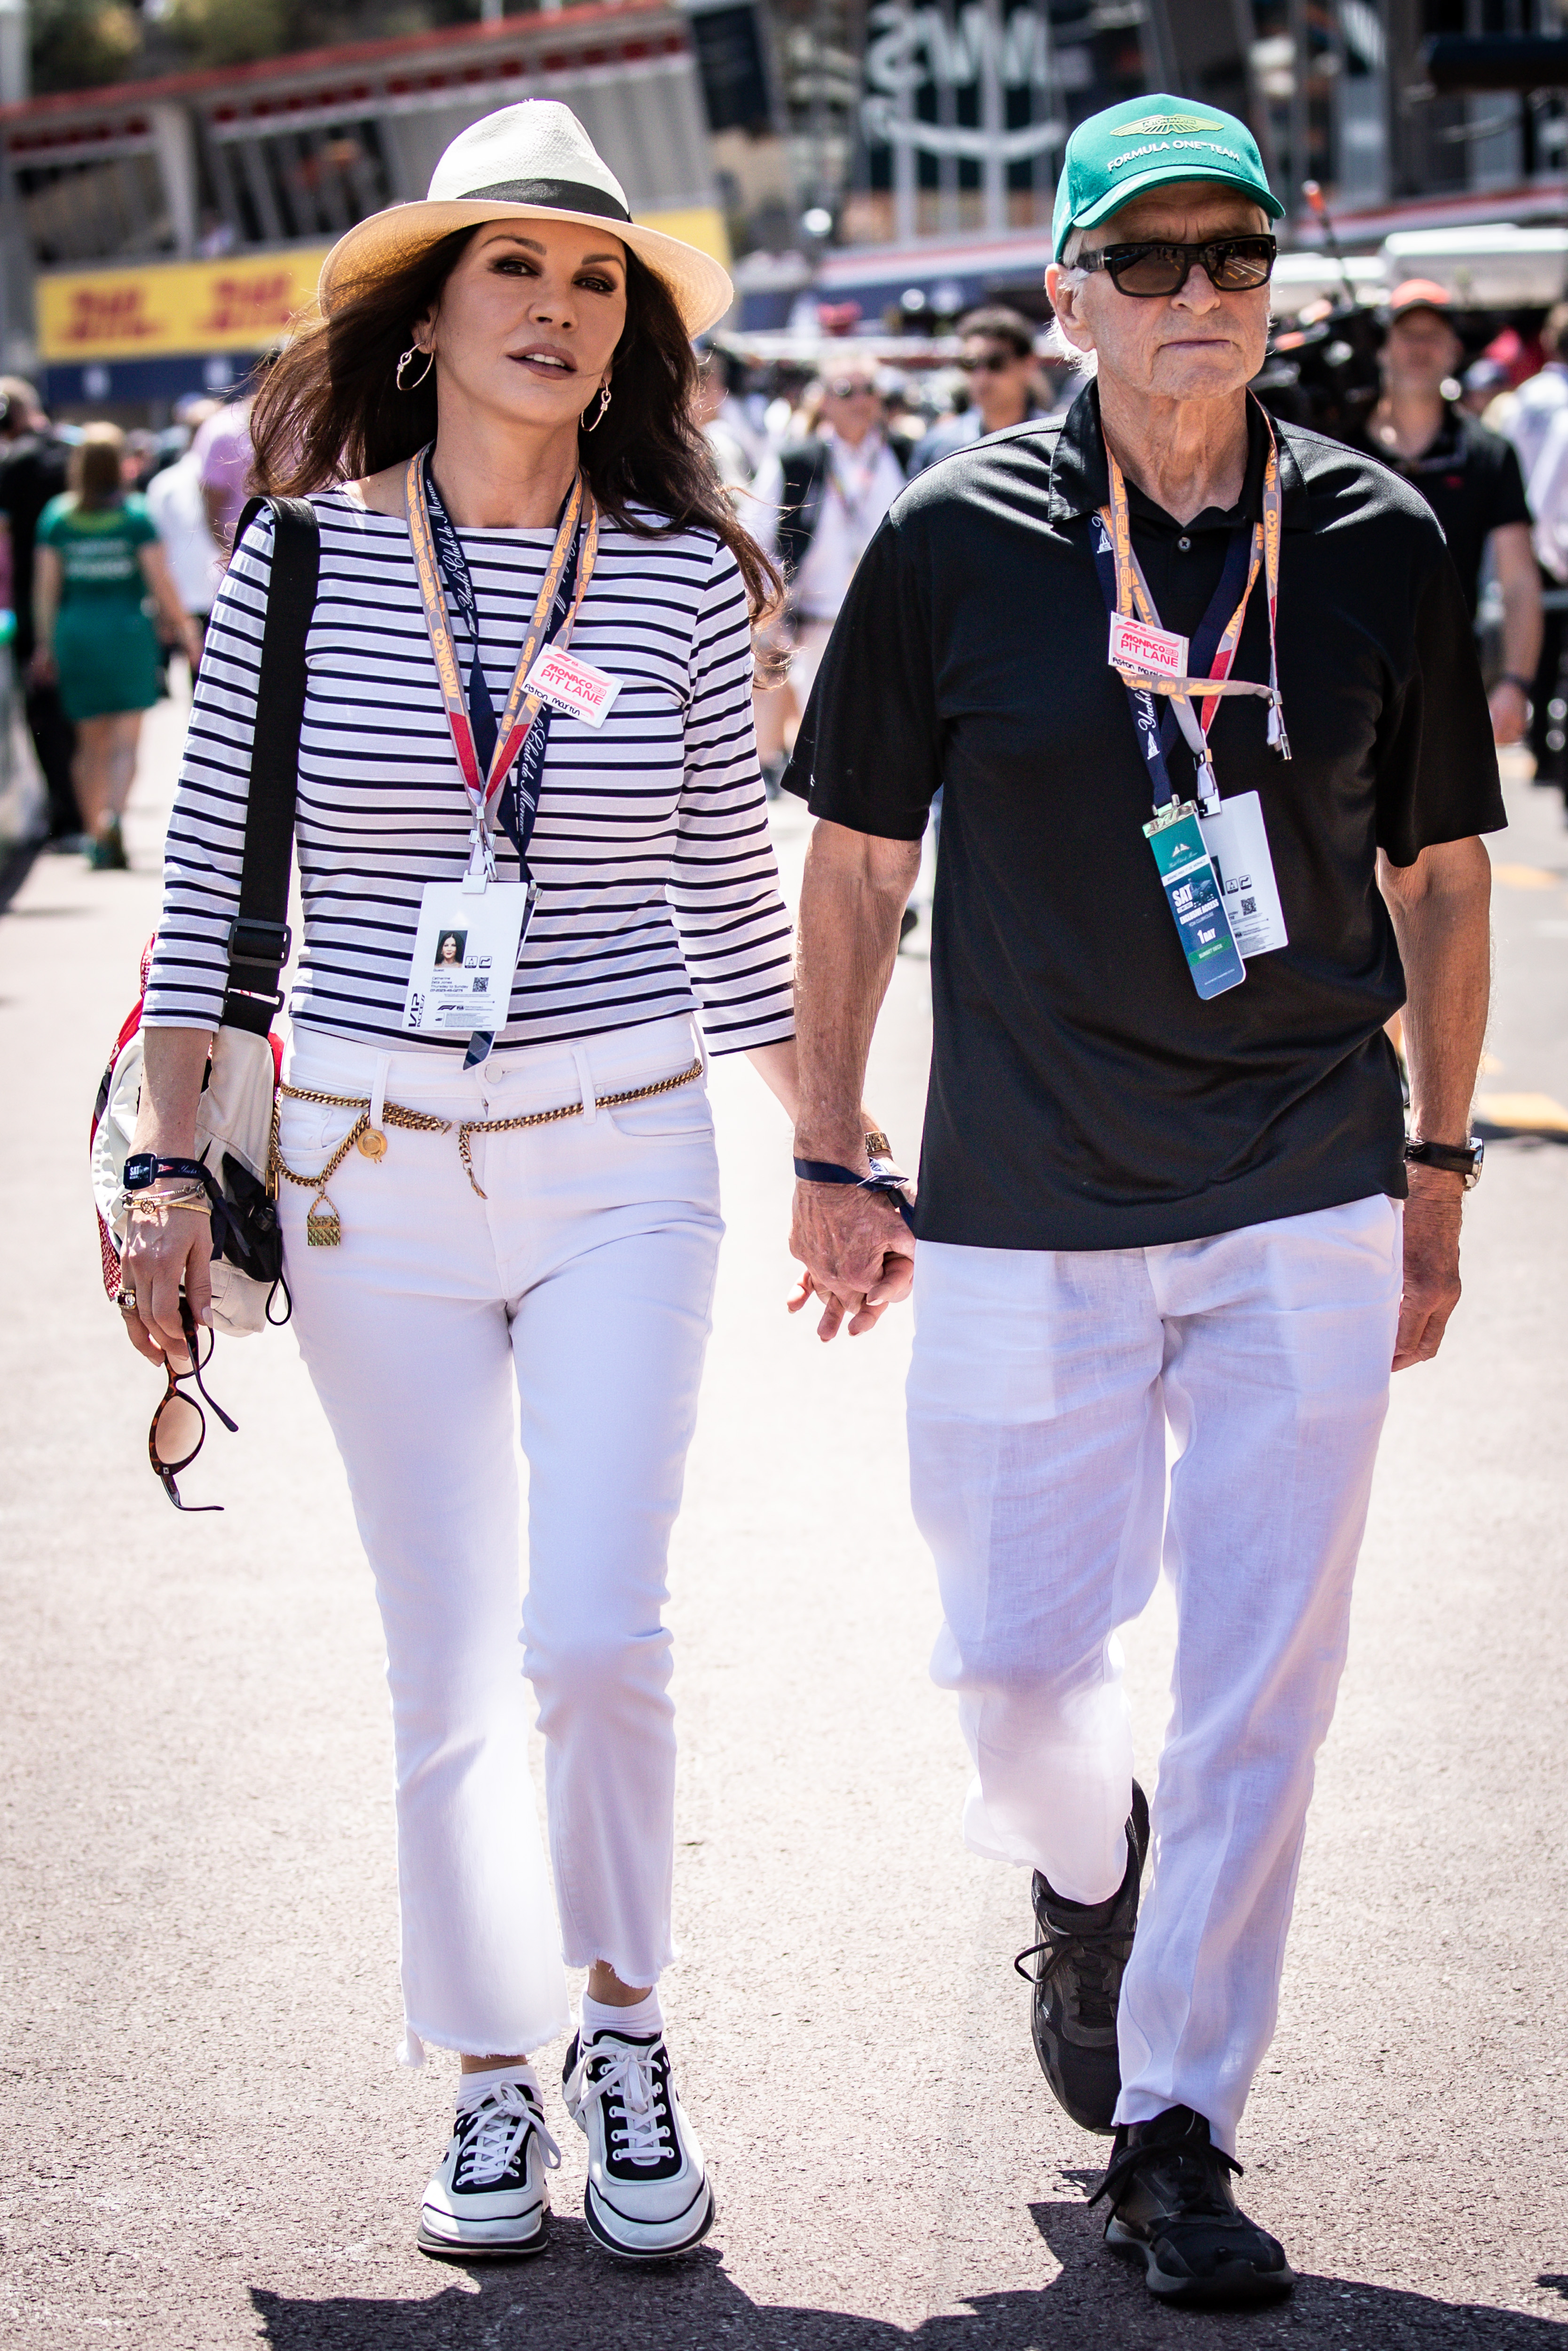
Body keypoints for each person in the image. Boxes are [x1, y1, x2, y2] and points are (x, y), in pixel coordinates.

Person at [784, 92, 1499, 2308]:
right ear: (1072, 289)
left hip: (1300, 1177)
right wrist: (829, 1148)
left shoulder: (1375, 534)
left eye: (1238, 257)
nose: (1202, 296)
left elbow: (1447, 881)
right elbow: (856, 870)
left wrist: (1440, 1167)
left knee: (1262, 1687)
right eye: (1154, 257)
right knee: (1013, 1665)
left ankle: (1179, 2124)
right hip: (1020, 1197)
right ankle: (1086, 1884)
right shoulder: (947, 537)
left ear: (1277, 284)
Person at [119, 99, 816, 2268]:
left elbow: (732, 898)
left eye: (595, 278)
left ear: (629, 339)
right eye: (513, 266)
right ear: (430, 315)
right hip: (361, 1171)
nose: (555, 306)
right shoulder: (304, 563)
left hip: (624, 1151)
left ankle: (626, 2024)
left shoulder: (690, 577)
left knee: (594, 1634)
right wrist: (164, 1171)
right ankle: (496, 2073)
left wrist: (843, 1149)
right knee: (448, 1658)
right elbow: (212, 898)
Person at [1359, 279, 1541, 751]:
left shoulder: (1486, 454)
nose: (1419, 348)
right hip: (1345, 679)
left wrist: (1515, 682)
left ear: (1453, 350)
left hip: (1449, 683)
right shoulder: (1335, 446)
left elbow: (1519, 577)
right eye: (1407, 333)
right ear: (1381, 349)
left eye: (1432, 335)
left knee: (1447, 827)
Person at [32, 423, 199, 869]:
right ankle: (115, 817)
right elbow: (160, 582)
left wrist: (45, 645)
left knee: (88, 745)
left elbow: (46, 590)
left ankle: (94, 834)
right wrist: (184, 627)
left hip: (77, 634)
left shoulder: (58, 518)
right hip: (128, 634)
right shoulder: (135, 516)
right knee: (127, 741)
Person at [751, 365, 905, 788]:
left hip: (888, 624)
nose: (860, 400)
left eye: (869, 390)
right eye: (846, 390)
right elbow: (757, 537)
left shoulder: (905, 453)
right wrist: (771, 611)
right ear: (824, 401)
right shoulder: (798, 460)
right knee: (826, 743)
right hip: (815, 623)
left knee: (880, 740)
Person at [0, 377, 79, 843]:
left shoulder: (12, 465)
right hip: (83, 598)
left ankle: (67, 813)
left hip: (33, 604)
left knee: (45, 709)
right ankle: (92, 811)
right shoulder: (73, 450)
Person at [908, 306, 1048, 473]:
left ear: (1029, 365)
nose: (981, 377)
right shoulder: (939, 448)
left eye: (995, 363)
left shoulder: (1056, 445)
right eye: (970, 364)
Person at [145, 396, 224, 675]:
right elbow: (156, 549)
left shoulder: (163, 483)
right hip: (200, 601)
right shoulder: (165, 484)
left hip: (194, 599)